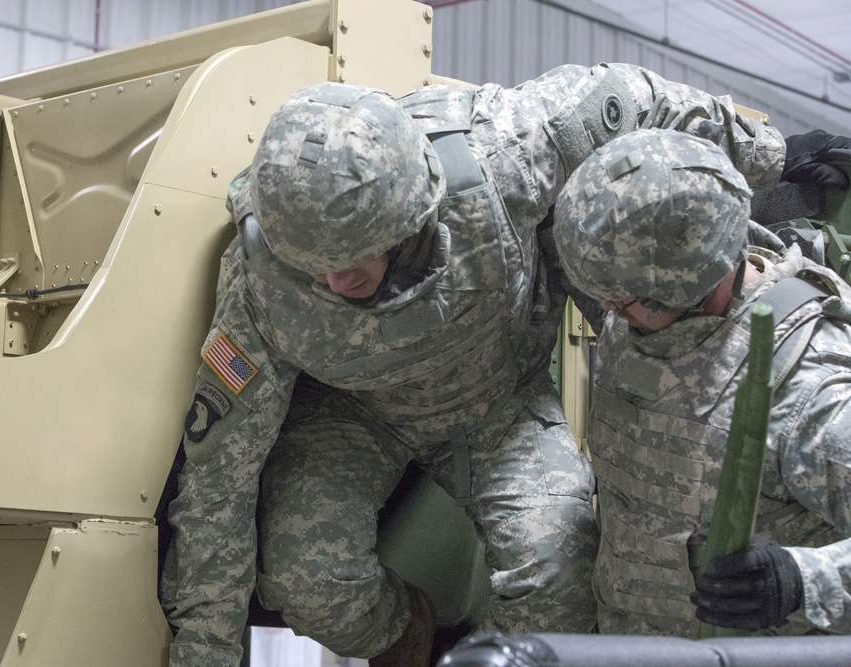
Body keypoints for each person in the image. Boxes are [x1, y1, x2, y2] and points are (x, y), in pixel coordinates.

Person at [159, 64, 789, 667]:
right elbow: (219, 482)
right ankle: (409, 634)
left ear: (412, 214)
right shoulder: (261, 284)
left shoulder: (497, 157)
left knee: (558, 575)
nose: (334, 279)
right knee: (307, 581)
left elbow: (625, 97)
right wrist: (203, 656)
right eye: (313, 266)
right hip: (355, 416)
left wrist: (768, 157)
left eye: (354, 257)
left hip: (500, 405)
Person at [551, 128, 851, 637]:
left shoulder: (806, 385)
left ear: (689, 283)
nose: (606, 309)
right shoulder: (644, 308)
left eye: (622, 298)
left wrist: (803, 582)